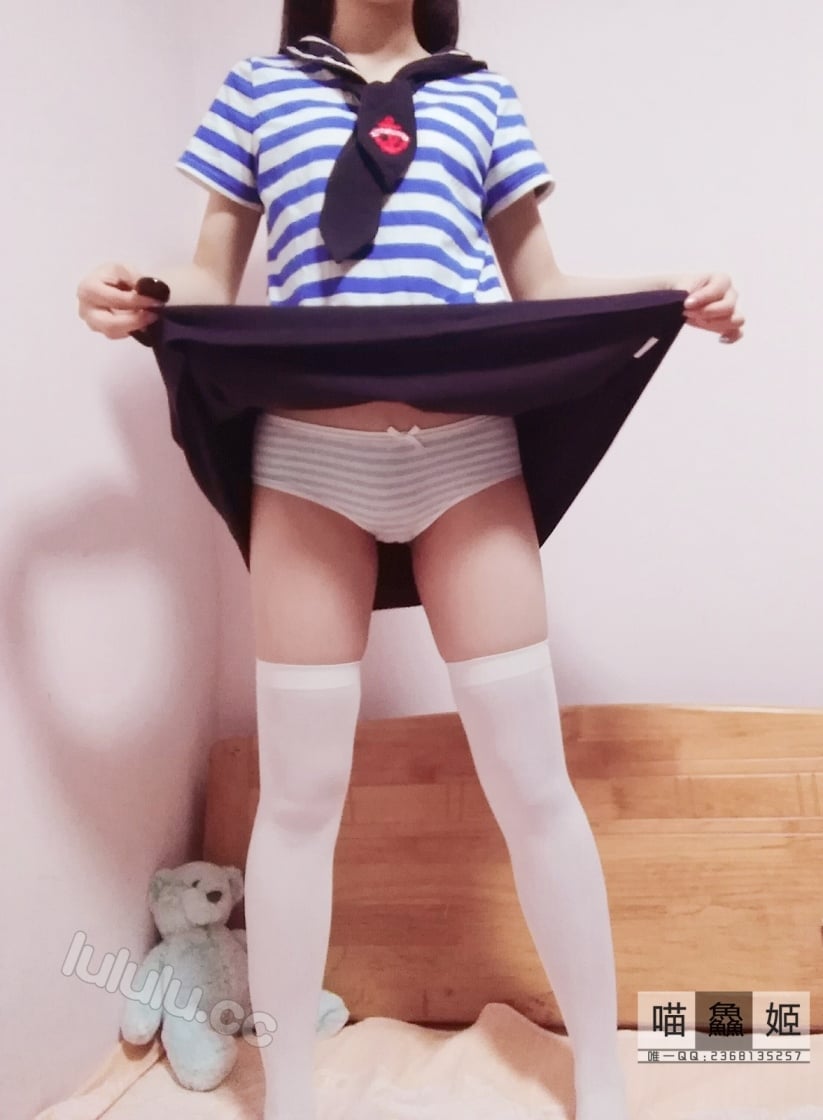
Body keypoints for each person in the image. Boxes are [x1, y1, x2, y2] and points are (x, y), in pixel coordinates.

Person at [76, 2, 745, 1117]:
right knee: (299, 798)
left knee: (533, 784)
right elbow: (207, 273)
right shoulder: (258, 89)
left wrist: (666, 298)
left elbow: (541, 286)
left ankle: (600, 1069)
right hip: (308, 468)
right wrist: (133, 293)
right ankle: (290, 1091)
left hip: (466, 462)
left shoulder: (481, 96)